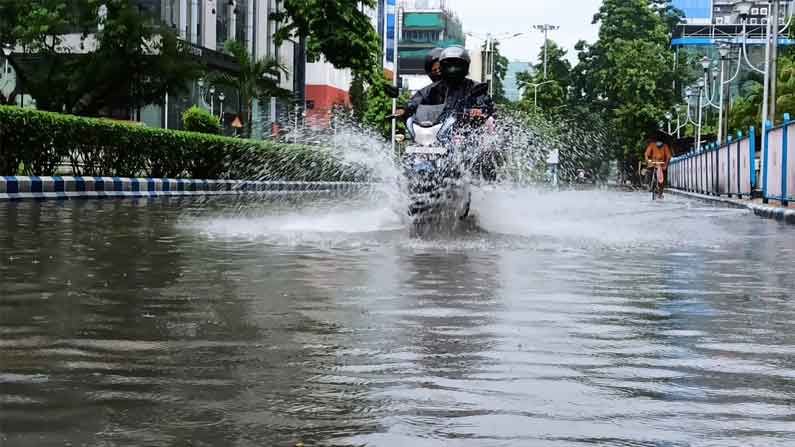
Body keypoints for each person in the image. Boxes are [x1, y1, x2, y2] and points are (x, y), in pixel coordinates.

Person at [394, 48, 444, 119]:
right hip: (436, 125)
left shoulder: (462, 85)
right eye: (435, 70)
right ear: (430, 72)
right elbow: (418, 99)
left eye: (440, 68)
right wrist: (405, 109)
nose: (438, 71)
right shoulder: (432, 89)